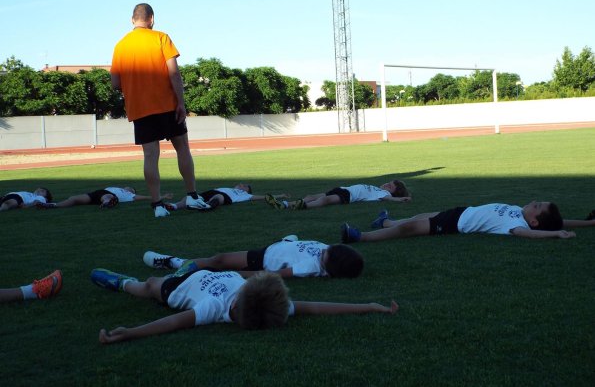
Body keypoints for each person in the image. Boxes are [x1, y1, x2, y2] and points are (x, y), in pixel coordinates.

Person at [91, 266, 398, 344]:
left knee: (150, 285)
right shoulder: (268, 304)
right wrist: (367, 305)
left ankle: (122, 283)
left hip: (179, 287)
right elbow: (316, 306)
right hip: (208, 274)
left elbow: (172, 322)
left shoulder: (213, 308)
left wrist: (131, 332)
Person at [110, 3, 210, 218]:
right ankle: (192, 195)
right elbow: (174, 73)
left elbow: (115, 83)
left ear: (131, 20)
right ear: (152, 19)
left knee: (150, 156)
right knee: (182, 147)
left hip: (140, 108)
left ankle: (157, 205)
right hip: (167, 103)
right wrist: (181, 103)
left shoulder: (120, 46)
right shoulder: (161, 37)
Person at [341, 201, 595, 243]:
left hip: (457, 224)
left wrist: (555, 235)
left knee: (411, 227)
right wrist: (590, 224)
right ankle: (385, 222)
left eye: (538, 206)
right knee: (418, 217)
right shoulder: (520, 211)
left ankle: (360, 237)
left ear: (535, 222)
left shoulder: (518, 226)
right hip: (462, 211)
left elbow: (527, 235)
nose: (534, 202)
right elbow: (562, 221)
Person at [142, 234, 363, 278]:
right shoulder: (329, 250)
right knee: (218, 261)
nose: (323, 250)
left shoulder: (311, 267)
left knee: (218, 261)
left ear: (330, 266)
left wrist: (233, 275)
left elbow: (276, 274)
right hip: (274, 248)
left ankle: (174, 263)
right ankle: (287, 239)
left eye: (326, 254)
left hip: (262, 259)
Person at [265, 180, 411, 210]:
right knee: (311, 195)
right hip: (343, 189)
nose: (387, 185)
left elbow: (388, 199)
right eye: (388, 183)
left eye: (390, 186)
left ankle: (304, 206)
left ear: (392, 191)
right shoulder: (378, 189)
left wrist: (400, 199)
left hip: (349, 196)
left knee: (326, 200)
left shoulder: (383, 194)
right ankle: (283, 205)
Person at [165, 183, 289, 210]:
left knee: (219, 197)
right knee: (192, 196)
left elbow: (263, 197)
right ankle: (174, 206)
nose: (242, 185)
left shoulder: (245, 195)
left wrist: (281, 195)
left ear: (247, 190)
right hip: (211, 191)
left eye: (245, 186)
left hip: (222, 196)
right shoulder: (230, 187)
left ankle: (207, 206)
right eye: (241, 184)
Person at [36, 186, 172, 209]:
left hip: (109, 195)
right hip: (98, 193)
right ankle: (53, 205)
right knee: (74, 198)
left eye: (131, 189)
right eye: (128, 187)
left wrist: (161, 196)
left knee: (107, 196)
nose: (128, 188)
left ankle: (107, 203)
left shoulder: (131, 196)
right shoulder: (118, 187)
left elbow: (146, 197)